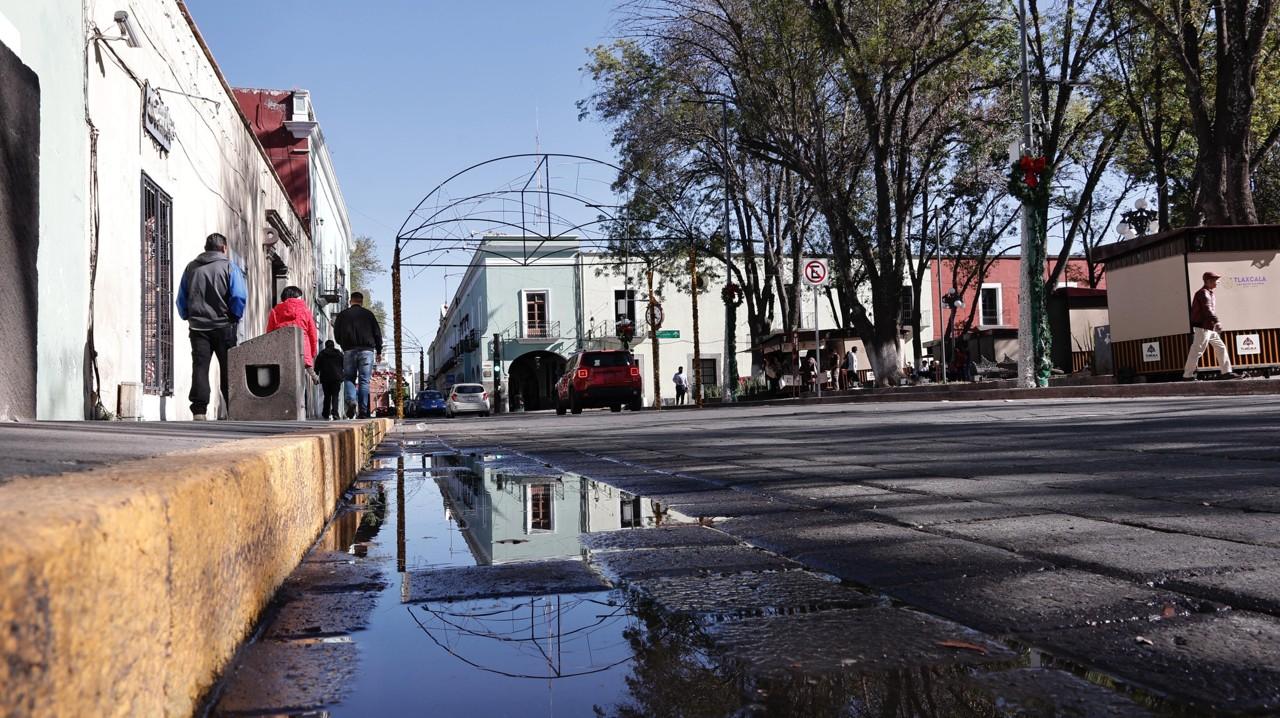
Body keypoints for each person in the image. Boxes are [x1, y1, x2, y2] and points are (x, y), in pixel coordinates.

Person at [176, 232, 246, 421]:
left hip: (198, 327)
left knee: (200, 366)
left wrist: (186, 315)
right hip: (223, 326)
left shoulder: (191, 268)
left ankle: (199, 411)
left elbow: (182, 297)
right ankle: (233, 408)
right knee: (229, 367)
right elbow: (238, 295)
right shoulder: (230, 267)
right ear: (224, 248)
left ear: (206, 248)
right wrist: (234, 315)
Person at [333, 291, 383, 419]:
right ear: (361, 301)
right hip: (367, 351)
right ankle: (363, 412)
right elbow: (377, 333)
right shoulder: (369, 315)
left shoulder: (343, 315)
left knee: (349, 378)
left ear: (350, 301)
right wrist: (379, 351)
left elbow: (337, 333)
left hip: (349, 350)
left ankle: (351, 401)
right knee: (364, 381)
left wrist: (343, 344)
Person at [1182, 271, 1238, 381]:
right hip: (1203, 327)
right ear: (1208, 281)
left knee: (1220, 347)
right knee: (1197, 350)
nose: (1218, 282)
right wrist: (1217, 321)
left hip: (1208, 327)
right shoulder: (1204, 293)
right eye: (1216, 280)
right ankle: (1187, 375)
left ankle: (1226, 372)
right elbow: (1208, 309)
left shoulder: (1209, 292)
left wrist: (1213, 324)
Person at [265, 286, 319, 368]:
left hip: (281, 352)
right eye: (300, 297)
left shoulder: (275, 311)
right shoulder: (305, 311)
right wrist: (312, 353)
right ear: (296, 297)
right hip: (302, 352)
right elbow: (312, 334)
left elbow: (269, 334)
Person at [314, 340, 345, 419]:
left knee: (327, 396)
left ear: (325, 345)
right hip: (337, 378)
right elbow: (344, 365)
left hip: (326, 378)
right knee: (335, 396)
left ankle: (325, 413)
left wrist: (316, 375)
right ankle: (335, 413)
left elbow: (316, 366)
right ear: (333, 345)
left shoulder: (321, 354)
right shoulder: (339, 354)